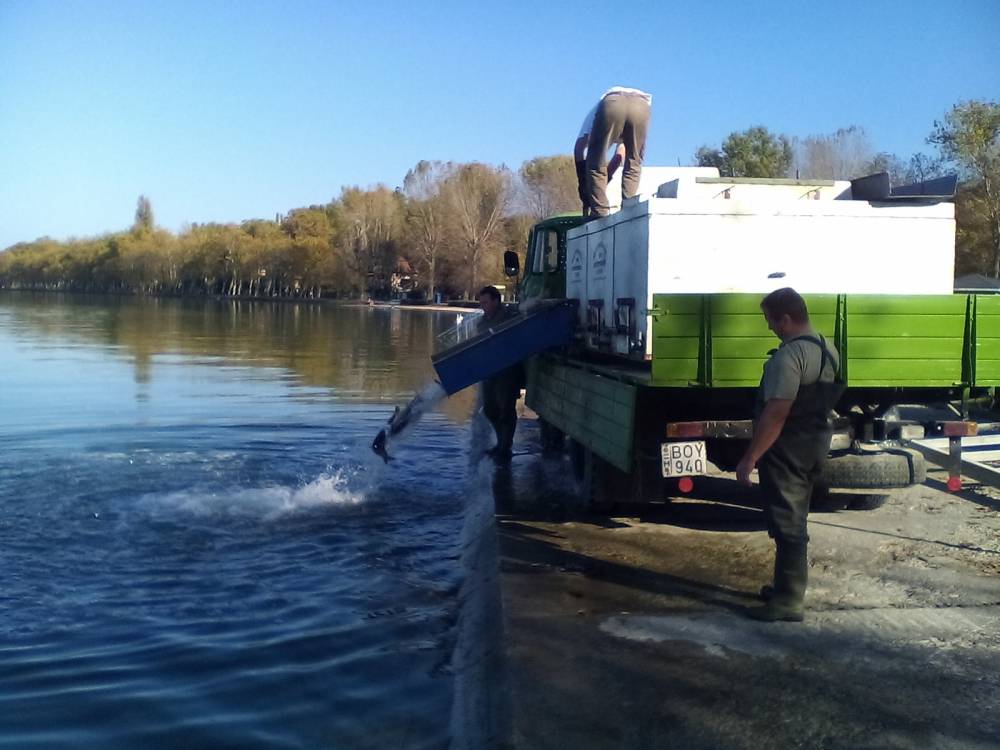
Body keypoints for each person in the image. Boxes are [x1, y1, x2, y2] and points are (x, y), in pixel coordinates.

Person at [735, 288, 843, 622]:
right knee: (792, 517)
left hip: (788, 448)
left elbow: (776, 413)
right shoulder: (827, 348)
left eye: (770, 319)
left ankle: (789, 602)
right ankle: (784, 588)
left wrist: (750, 457)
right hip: (813, 443)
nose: (769, 327)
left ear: (785, 318)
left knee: (788, 523)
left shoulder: (790, 357)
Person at [574, 87, 652, 218]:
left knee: (595, 161)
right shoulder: (620, 129)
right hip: (641, 105)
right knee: (634, 162)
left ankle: (600, 211)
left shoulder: (596, 111)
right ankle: (629, 208)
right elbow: (620, 155)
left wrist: (584, 182)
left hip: (613, 103)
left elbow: (579, 148)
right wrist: (605, 177)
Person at [477, 285, 523, 465]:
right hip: (489, 371)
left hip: (507, 371)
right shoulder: (482, 322)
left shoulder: (509, 317)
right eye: (481, 303)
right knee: (489, 409)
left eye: (486, 302)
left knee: (506, 410)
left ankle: (505, 448)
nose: (483, 306)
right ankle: (500, 442)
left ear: (496, 301)